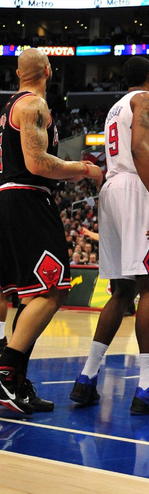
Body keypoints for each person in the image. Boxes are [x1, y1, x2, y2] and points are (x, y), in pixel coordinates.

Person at [70, 56, 149, 415]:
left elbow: (130, 168)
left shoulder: (115, 109)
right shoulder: (148, 99)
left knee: (123, 291)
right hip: (136, 194)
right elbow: (141, 151)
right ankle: (146, 388)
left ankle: (86, 378)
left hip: (112, 193)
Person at [0, 48, 103, 414]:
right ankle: (6, 373)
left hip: (9, 197)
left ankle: (15, 380)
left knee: (28, 297)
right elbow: (38, 163)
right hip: (27, 199)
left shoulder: (8, 109)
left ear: (18, 73)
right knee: (53, 289)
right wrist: (83, 169)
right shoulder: (33, 106)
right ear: (48, 70)